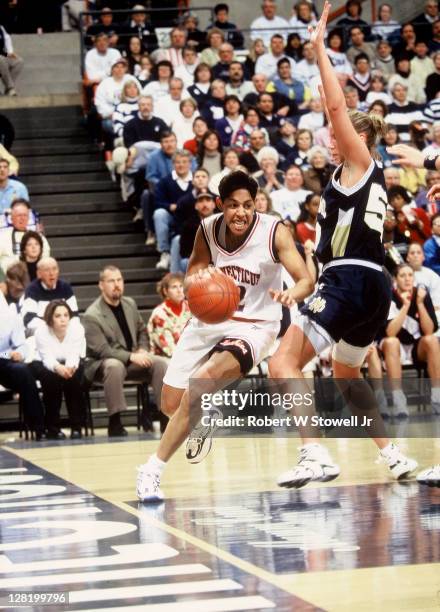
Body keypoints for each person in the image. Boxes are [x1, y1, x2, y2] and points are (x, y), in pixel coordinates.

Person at [269, 2, 418, 489]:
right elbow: (318, 262)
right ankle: (392, 453)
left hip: (353, 280)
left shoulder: (361, 163)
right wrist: (297, 288)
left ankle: (313, 453)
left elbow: (334, 106)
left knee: (283, 361)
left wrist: (318, 53)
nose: (332, 138)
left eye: (341, 134)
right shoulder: (339, 181)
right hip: (366, 285)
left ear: (358, 138)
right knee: (344, 371)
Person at [136, 170, 314, 502]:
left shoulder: (274, 231)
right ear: (220, 205)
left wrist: (294, 295)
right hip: (210, 318)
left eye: (248, 205)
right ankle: (206, 412)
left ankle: (151, 470)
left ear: (256, 204)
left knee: (201, 383)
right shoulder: (207, 229)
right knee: (171, 403)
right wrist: (201, 284)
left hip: (255, 324)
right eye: (233, 206)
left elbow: (305, 280)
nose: (241, 213)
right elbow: (191, 275)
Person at [83, 265, 168, 437]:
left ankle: (165, 416)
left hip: (133, 359)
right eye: (111, 281)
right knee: (115, 366)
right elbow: (102, 350)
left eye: (119, 280)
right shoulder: (92, 315)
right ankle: (115, 422)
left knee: (160, 363)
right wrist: (131, 356)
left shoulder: (130, 303)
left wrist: (143, 349)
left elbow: (142, 331)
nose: (117, 285)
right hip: (102, 365)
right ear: (101, 285)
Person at [380, 263, 440, 416]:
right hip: (394, 345)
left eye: (410, 275)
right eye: (402, 276)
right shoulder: (389, 296)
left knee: (431, 340)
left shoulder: (421, 294)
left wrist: (419, 303)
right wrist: (406, 306)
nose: (407, 279)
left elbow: (429, 330)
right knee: (391, 342)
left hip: (416, 347)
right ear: (395, 279)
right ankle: (399, 401)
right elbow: (390, 332)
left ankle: (436, 397)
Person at [32, 300, 86, 440]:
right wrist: (58, 368)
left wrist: (69, 368)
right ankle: (53, 428)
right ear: (50, 318)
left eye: (66, 315)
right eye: (58, 316)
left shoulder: (77, 328)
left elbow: (75, 353)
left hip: (70, 362)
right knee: (50, 379)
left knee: (73, 379)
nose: (63, 319)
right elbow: (47, 358)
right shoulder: (41, 331)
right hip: (44, 362)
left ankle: (76, 427)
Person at [0, 295, 45, 439]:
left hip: (4, 360)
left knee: (23, 371)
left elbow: (22, 345)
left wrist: (20, 353)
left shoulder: (10, 316)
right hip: (4, 357)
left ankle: (38, 427)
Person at [22, 257, 78, 334]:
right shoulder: (32, 289)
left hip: (64, 331)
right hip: (41, 332)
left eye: (54, 269)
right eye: (47, 270)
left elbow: (74, 316)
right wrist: (52, 329)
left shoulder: (65, 287)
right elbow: (29, 319)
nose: (51, 273)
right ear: (39, 274)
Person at [147, 273, 191, 359]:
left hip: (190, 354)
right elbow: (168, 349)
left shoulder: (191, 307)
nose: (179, 290)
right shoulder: (159, 314)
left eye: (181, 286)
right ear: (165, 291)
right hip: (167, 359)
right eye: (174, 287)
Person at [0, 199, 50, 272]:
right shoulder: (2, 237)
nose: (22, 218)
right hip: (8, 278)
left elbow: (45, 259)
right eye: (19, 215)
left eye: (25, 215)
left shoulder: (39, 237)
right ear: (11, 218)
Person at [0, 21, 23, 95]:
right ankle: (10, 88)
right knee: (1, 59)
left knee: (19, 61)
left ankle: (8, 89)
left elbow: (7, 38)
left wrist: (10, 52)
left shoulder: (1, 27)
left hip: (3, 54)